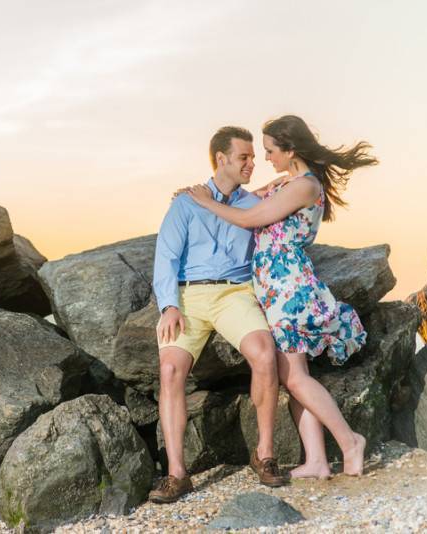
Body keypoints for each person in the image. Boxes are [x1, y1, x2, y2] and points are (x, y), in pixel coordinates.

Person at [185, 115, 378, 479]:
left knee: (294, 378)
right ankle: (317, 461)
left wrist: (204, 201)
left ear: (291, 150)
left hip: (289, 286)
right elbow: (252, 202)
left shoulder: (304, 186)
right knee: (295, 375)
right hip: (274, 286)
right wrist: (252, 192)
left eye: (272, 151)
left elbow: (250, 218)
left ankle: (351, 441)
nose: (266, 158)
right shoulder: (290, 182)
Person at [149, 126, 287, 505]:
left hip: (235, 292)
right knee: (170, 369)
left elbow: (292, 178)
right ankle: (177, 474)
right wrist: (169, 305)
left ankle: (264, 453)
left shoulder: (254, 203)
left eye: (254, 157)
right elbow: (166, 257)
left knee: (263, 353)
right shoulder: (184, 204)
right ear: (221, 159)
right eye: (244, 157)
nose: (252, 163)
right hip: (188, 295)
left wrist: (258, 191)